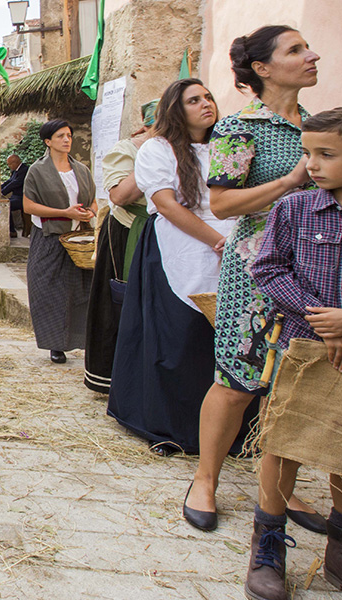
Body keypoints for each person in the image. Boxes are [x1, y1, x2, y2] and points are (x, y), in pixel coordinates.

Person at [184, 25, 326, 534]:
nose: (311, 56)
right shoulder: (240, 129)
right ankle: (205, 479)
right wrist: (289, 182)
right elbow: (222, 203)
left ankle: (281, 490)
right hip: (255, 273)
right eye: (295, 50)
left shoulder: (321, 127)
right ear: (262, 69)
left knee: (293, 387)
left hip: (313, 276)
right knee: (237, 382)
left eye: (307, 47)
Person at [244, 106, 342, 600]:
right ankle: (269, 545)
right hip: (303, 347)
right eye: (307, 153)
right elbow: (269, 269)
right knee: (285, 442)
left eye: (326, 154)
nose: (312, 164)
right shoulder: (294, 209)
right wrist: (325, 318)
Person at [106, 79, 234, 456]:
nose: (205, 104)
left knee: (219, 341)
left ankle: (227, 430)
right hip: (178, 246)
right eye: (194, 100)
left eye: (208, 97)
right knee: (178, 339)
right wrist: (214, 239)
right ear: (175, 110)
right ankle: (170, 426)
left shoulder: (227, 146)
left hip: (231, 246)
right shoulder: (157, 150)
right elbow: (166, 203)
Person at [83, 100, 158, 394]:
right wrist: (154, 154)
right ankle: (114, 376)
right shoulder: (128, 150)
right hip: (128, 233)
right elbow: (121, 196)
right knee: (120, 301)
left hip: (167, 233)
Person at [21, 119, 97, 363]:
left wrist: (89, 212)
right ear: (48, 141)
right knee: (49, 291)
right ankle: (55, 344)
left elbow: (93, 200)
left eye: (69, 135)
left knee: (81, 290)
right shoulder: (37, 170)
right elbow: (28, 205)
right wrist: (66, 213)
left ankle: (82, 341)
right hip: (49, 238)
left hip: (79, 239)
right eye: (61, 136)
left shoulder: (82, 170)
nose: (67, 140)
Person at [1, 154, 31, 238]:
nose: (9, 166)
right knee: (4, 204)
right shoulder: (15, 171)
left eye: (10, 164)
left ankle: (12, 231)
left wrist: (2, 192)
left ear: (16, 162)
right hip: (15, 196)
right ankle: (10, 230)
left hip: (23, 198)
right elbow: (9, 181)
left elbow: (16, 183)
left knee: (6, 206)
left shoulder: (25, 170)